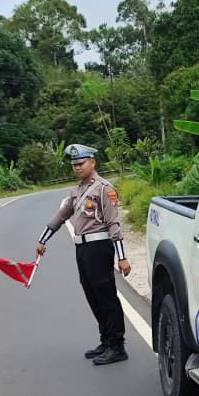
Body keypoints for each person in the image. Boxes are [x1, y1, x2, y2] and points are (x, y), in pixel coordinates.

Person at [36, 144, 132, 366]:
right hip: (83, 249)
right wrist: (43, 239)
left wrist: (122, 257)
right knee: (92, 295)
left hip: (99, 248)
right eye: (74, 165)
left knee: (106, 296)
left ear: (92, 162)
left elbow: (114, 225)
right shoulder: (77, 191)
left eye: (81, 163)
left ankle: (117, 346)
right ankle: (106, 341)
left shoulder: (104, 189)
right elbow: (61, 216)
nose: (77, 168)